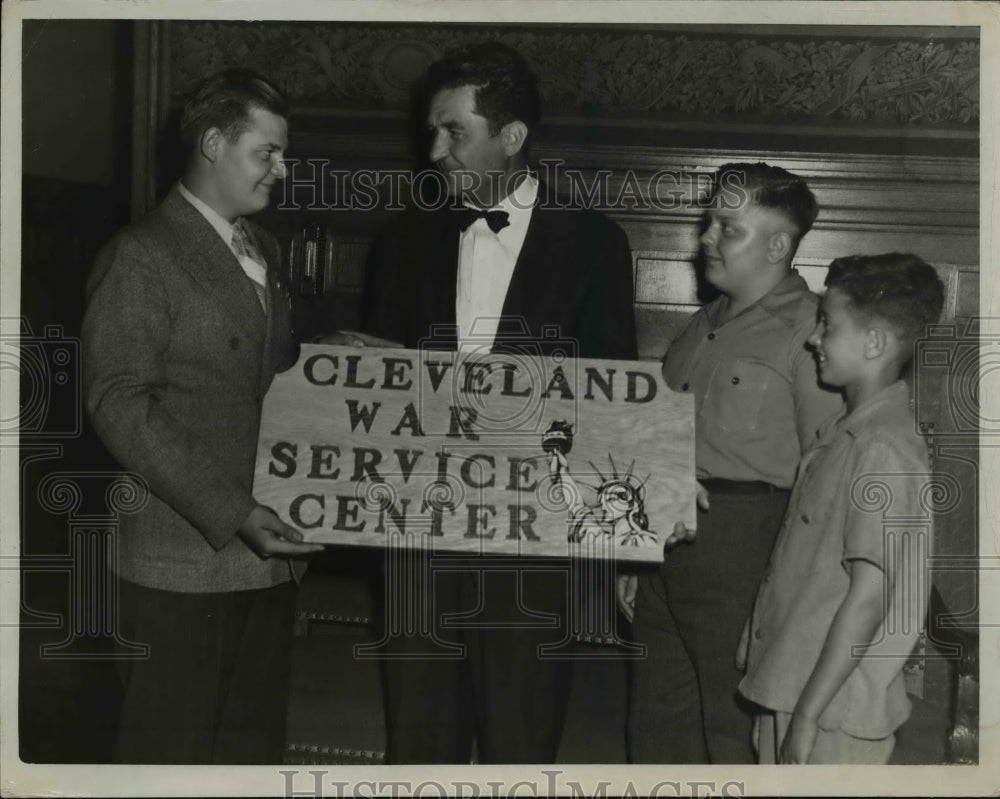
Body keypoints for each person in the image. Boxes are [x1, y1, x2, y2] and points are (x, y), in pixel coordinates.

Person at [360, 41, 637, 764]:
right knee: (416, 752)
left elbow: (611, 403)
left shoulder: (595, 247)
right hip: (417, 542)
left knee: (522, 750)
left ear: (511, 138)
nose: (434, 150)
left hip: (534, 560)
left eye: (454, 131)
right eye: (432, 130)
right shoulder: (400, 241)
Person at [82, 68, 323, 764]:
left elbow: (262, 375)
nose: (282, 168)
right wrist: (232, 510)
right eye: (267, 151)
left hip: (266, 566)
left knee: (248, 761)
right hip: (178, 567)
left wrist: (336, 358)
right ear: (213, 143)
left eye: (283, 152)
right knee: (169, 764)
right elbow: (118, 402)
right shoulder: (141, 254)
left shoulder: (264, 250)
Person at [622, 162, 844, 763]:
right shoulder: (699, 328)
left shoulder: (814, 332)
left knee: (734, 731)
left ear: (778, 244)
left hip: (749, 549)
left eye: (728, 227)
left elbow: (828, 479)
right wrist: (633, 556)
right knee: (657, 726)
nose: (705, 239)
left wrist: (789, 592)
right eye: (708, 223)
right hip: (666, 545)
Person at [738, 252, 944, 764]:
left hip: (831, 706)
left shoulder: (882, 448)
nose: (813, 339)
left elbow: (869, 601)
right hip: (797, 681)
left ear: (874, 343)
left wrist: (807, 716)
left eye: (827, 325)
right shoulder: (847, 433)